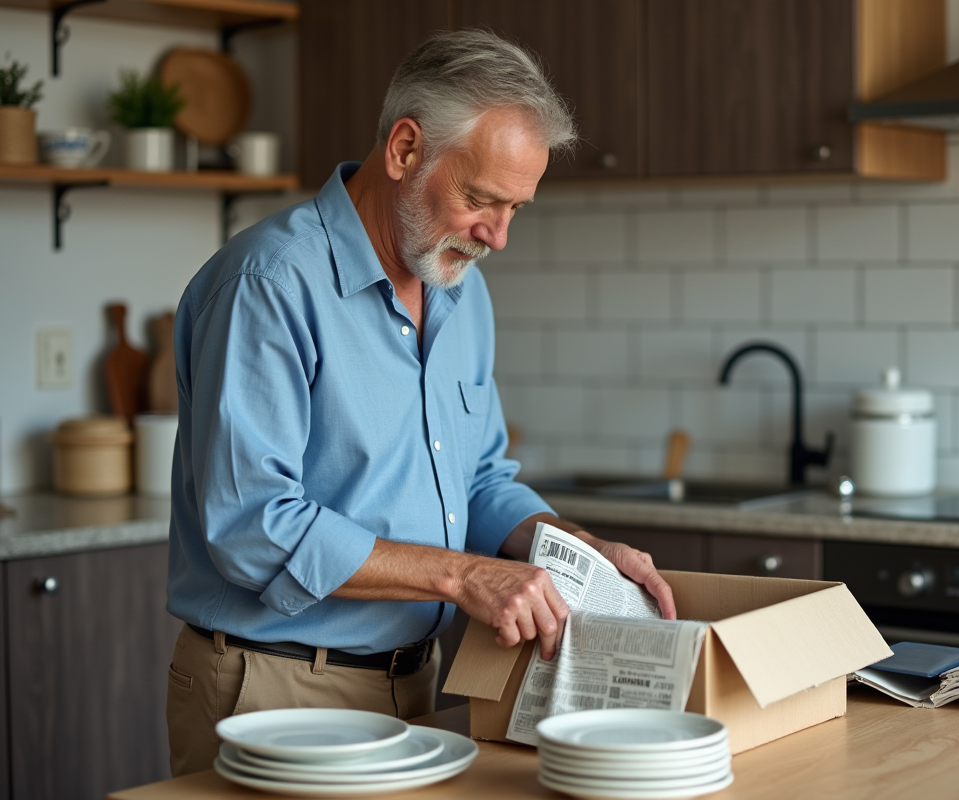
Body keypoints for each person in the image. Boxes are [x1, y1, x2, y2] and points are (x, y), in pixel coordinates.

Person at [164, 29, 675, 776]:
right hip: (274, 686)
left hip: (414, 684)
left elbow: (480, 480)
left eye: (515, 210)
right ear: (405, 149)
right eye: (481, 200)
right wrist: (466, 576)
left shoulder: (460, 291)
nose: (496, 236)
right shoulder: (270, 284)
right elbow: (253, 526)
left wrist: (570, 550)